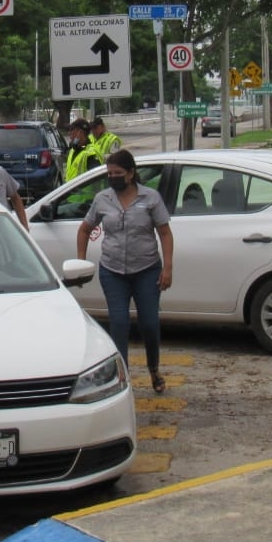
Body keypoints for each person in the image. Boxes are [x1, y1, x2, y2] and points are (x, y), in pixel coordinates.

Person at [76, 149, 174, 394]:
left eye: (118, 173)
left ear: (131, 173)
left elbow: (164, 233)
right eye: (109, 173)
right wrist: (81, 263)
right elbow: (84, 230)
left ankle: (154, 369)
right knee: (119, 324)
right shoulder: (102, 199)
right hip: (112, 270)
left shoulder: (150, 198)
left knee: (149, 323)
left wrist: (168, 268)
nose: (113, 177)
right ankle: (124, 380)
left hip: (147, 270)